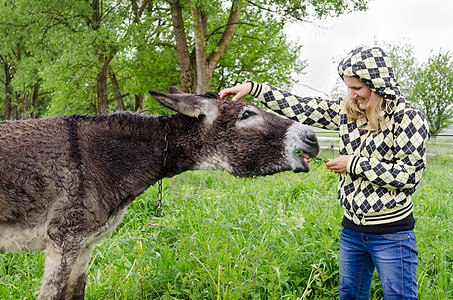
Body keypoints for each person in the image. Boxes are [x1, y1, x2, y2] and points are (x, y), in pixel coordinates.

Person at [220, 46, 429, 300]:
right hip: (352, 230)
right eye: (348, 88)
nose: (351, 95)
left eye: (357, 88)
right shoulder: (349, 112)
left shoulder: (408, 118)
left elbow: (409, 176)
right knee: (349, 296)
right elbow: (302, 107)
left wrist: (353, 164)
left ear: (378, 85)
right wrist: (256, 89)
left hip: (391, 233)